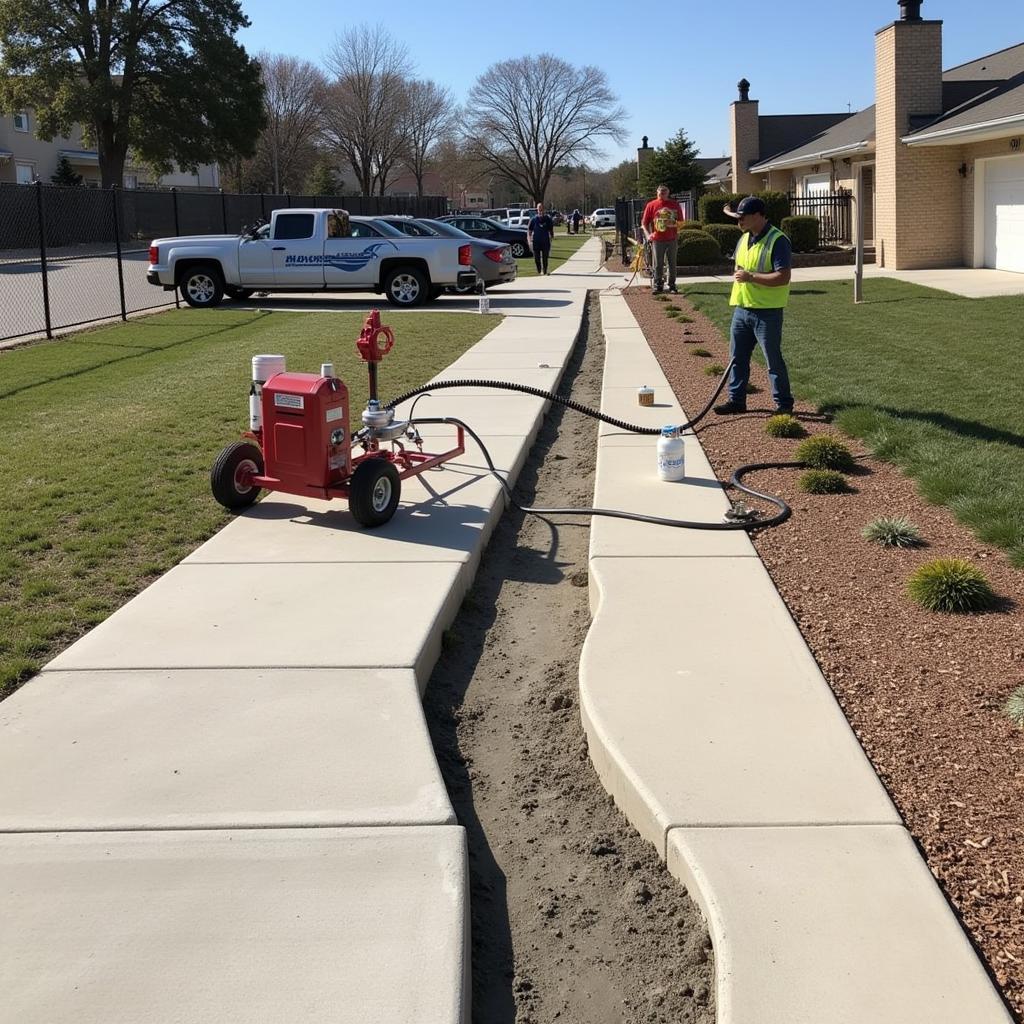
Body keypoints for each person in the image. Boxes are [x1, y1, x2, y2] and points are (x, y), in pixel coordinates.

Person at [713, 195, 794, 415]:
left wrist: (751, 277)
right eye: (738, 217)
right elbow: (740, 267)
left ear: (758, 215)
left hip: (767, 313)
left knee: (773, 361)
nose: (739, 221)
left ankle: (784, 404)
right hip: (742, 309)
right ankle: (736, 401)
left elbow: (783, 277)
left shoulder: (778, 240)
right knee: (737, 359)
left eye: (743, 217)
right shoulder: (744, 239)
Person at [641, 184, 685, 294]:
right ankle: (658, 285)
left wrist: (673, 224)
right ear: (657, 193)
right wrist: (648, 235)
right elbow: (644, 223)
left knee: (672, 263)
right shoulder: (651, 205)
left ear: (668, 193)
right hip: (657, 239)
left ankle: (672, 285)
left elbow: (681, 223)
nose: (662, 196)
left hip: (672, 238)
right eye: (660, 194)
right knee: (657, 264)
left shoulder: (674, 205)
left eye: (664, 193)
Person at [527, 202, 554, 274]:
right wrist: (529, 241)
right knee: (537, 259)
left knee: (545, 258)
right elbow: (529, 231)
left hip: (545, 242)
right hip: (536, 242)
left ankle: (545, 270)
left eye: (542, 209)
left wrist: (551, 238)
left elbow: (551, 230)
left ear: (544, 209)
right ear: (537, 210)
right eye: (539, 209)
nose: (541, 211)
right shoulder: (533, 220)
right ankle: (539, 270)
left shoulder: (548, 219)